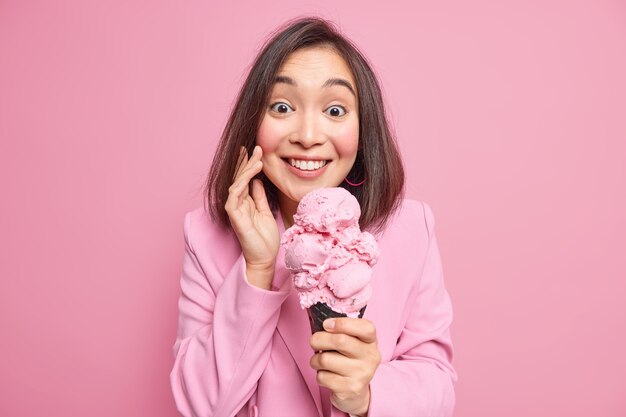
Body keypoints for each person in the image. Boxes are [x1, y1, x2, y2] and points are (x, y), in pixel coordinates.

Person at [170, 16, 457, 417]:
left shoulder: (411, 229)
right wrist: (258, 267)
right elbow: (202, 405)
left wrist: (368, 395)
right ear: (253, 123)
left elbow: (438, 384)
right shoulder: (205, 237)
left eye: (335, 110)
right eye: (282, 106)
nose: (307, 135)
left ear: (363, 129)